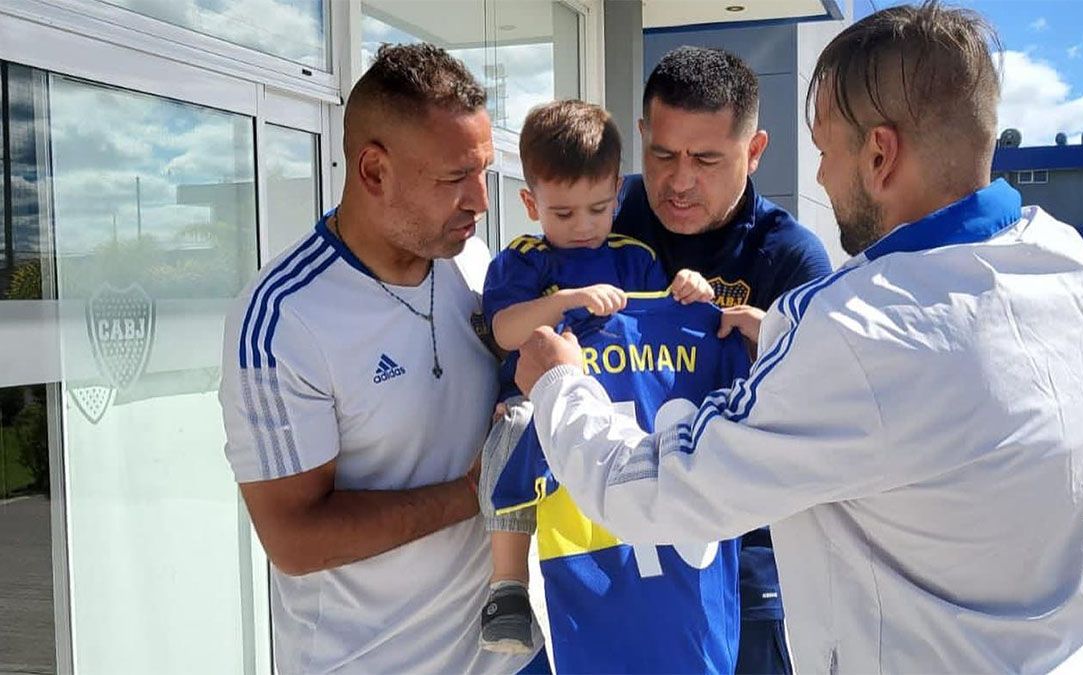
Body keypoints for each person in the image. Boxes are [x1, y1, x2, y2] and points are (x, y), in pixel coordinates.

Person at [515, 3, 1083, 673]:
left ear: (879, 152)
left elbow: (660, 493)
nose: (818, 177)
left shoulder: (856, 326)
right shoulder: (1069, 260)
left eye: (824, 147)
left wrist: (557, 382)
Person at [218, 43, 547, 673]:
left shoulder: (476, 267)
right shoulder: (284, 320)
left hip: (508, 658)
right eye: (455, 178)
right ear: (374, 171)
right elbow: (294, 538)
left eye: (484, 171)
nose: (480, 200)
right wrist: (471, 494)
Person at [474, 99, 725, 662]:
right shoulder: (522, 261)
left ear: (617, 190)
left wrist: (690, 288)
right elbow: (506, 329)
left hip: (617, 414)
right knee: (510, 429)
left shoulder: (635, 256)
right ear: (529, 202)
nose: (583, 228)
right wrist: (565, 300)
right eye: (562, 214)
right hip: (536, 405)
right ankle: (507, 587)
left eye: (598, 208)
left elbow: (664, 326)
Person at [613, 45, 834, 673]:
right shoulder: (605, 217)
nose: (679, 181)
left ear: (755, 150)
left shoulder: (789, 259)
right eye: (662, 154)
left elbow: (823, 424)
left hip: (744, 562)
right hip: (617, 545)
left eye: (706, 159)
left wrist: (784, 353)